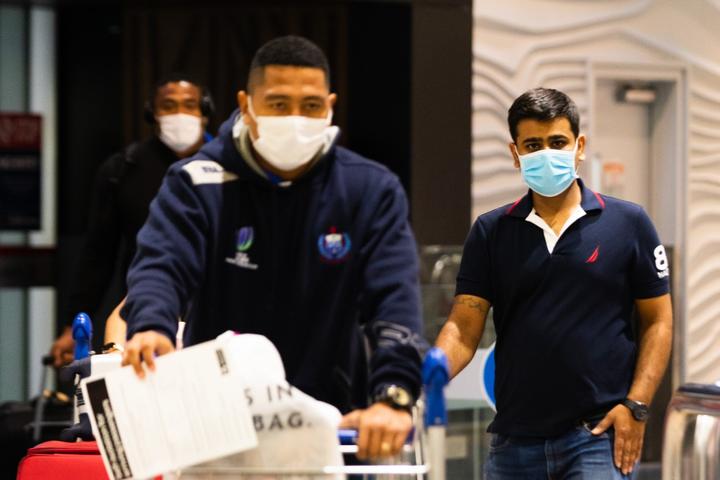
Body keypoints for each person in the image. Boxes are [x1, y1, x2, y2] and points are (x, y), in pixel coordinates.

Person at [120, 36, 424, 460]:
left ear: (331, 105)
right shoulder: (197, 181)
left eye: (312, 106)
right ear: (246, 105)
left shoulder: (370, 189)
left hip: (333, 427)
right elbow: (162, 265)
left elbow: (395, 299)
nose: (296, 119)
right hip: (218, 428)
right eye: (279, 104)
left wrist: (394, 396)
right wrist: (152, 326)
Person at [435, 88, 673, 478]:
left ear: (579, 147)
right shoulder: (491, 231)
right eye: (533, 144)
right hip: (514, 441)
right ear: (516, 155)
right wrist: (428, 373)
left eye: (557, 142)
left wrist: (637, 405)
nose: (547, 153)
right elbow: (464, 326)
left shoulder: (629, 223)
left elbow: (658, 320)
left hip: (596, 435)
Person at [50, 75, 215, 367]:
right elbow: (98, 255)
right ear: (152, 112)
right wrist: (72, 325)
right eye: (169, 105)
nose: (180, 114)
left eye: (190, 105)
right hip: (143, 304)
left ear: (205, 111)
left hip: (214, 306)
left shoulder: (224, 167)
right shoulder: (123, 169)